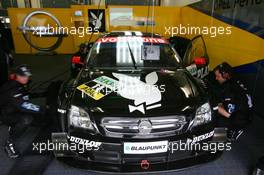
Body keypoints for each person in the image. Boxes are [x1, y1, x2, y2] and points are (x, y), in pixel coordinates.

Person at [0, 65, 45, 158]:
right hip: (6, 114)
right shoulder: (12, 89)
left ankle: (15, 124)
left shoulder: (19, 84)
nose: (26, 78)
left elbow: (24, 96)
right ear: (16, 76)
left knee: (41, 120)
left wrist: (41, 94)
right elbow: (24, 105)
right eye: (23, 76)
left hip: (14, 108)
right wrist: (42, 109)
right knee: (27, 119)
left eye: (27, 76)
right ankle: (9, 143)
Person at [214, 62, 253, 140]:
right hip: (248, 114)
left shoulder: (228, 88)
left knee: (214, 108)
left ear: (225, 75)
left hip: (240, 118)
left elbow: (229, 111)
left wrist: (217, 107)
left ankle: (221, 141)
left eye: (218, 76)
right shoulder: (235, 80)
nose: (216, 78)